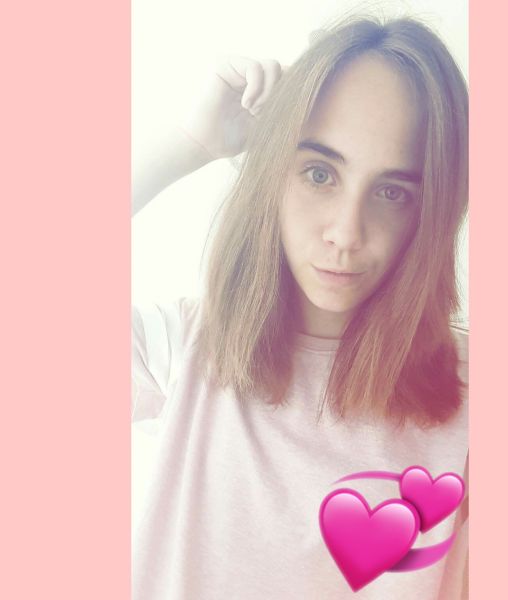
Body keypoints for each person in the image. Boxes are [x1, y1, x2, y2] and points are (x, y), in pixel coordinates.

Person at [132, 13, 468, 600]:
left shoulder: (473, 392)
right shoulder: (180, 347)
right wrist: (186, 146)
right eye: (319, 174)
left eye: (392, 192)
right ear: (274, 175)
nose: (346, 233)